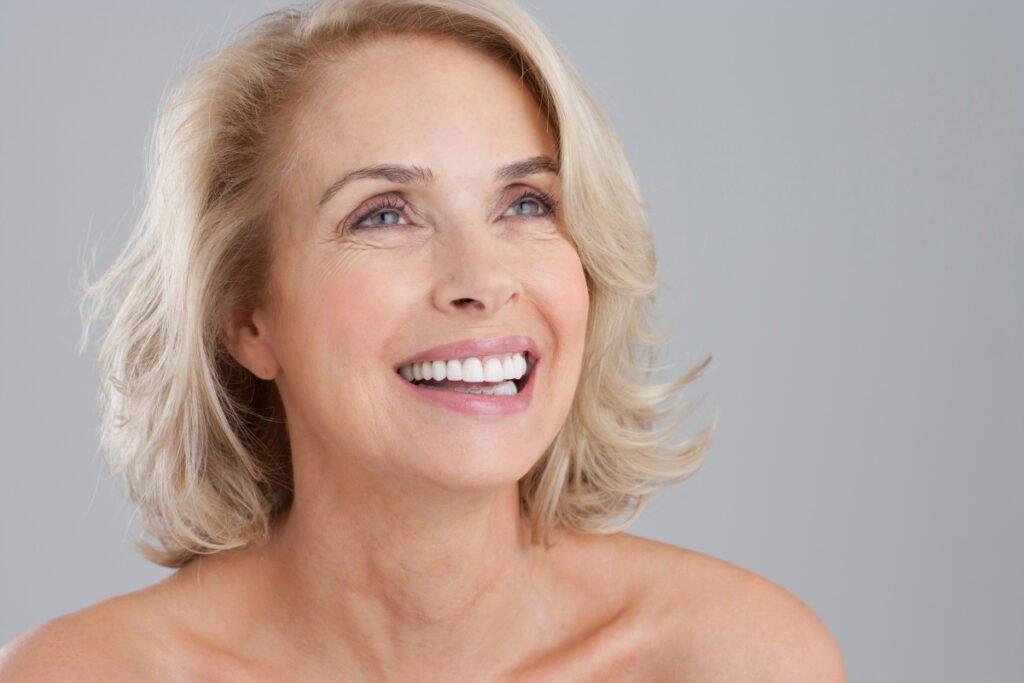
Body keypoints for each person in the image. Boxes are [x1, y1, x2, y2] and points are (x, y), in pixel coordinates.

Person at [0, 0, 844, 679]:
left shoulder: (737, 658)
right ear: (246, 320)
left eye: (526, 203)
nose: (480, 277)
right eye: (384, 214)